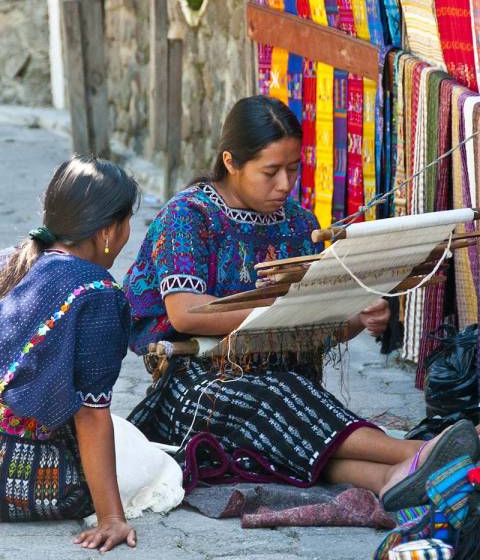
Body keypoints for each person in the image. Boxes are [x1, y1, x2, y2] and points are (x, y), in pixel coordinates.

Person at [124, 96, 479, 504]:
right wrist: (278, 312)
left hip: (288, 381)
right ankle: (424, 453)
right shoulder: (189, 216)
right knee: (271, 401)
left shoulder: (299, 224)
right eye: (270, 171)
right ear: (230, 161)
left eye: (293, 169)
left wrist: (358, 316)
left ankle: (390, 479)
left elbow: (319, 329)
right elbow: (185, 313)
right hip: (198, 382)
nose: (284, 184)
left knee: (289, 414)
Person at [0, 155, 139, 552]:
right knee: (147, 461)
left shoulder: (12, 262)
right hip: (25, 480)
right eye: (127, 222)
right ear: (108, 230)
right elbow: (91, 416)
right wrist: (111, 517)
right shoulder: (99, 295)